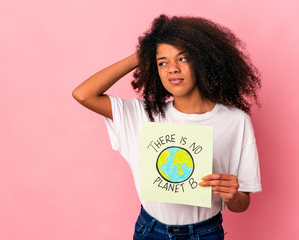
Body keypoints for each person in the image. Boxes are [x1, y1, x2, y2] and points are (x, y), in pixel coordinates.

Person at [73, 14, 262, 240]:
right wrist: (142, 54)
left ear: (202, 61)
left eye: (182, 58)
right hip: (150, 230)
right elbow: (83, 94)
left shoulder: (235, 121)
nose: (172, 68)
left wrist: (233, 196)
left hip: (205, 233)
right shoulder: (142, 115)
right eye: (162, 62)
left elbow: (241, 205)